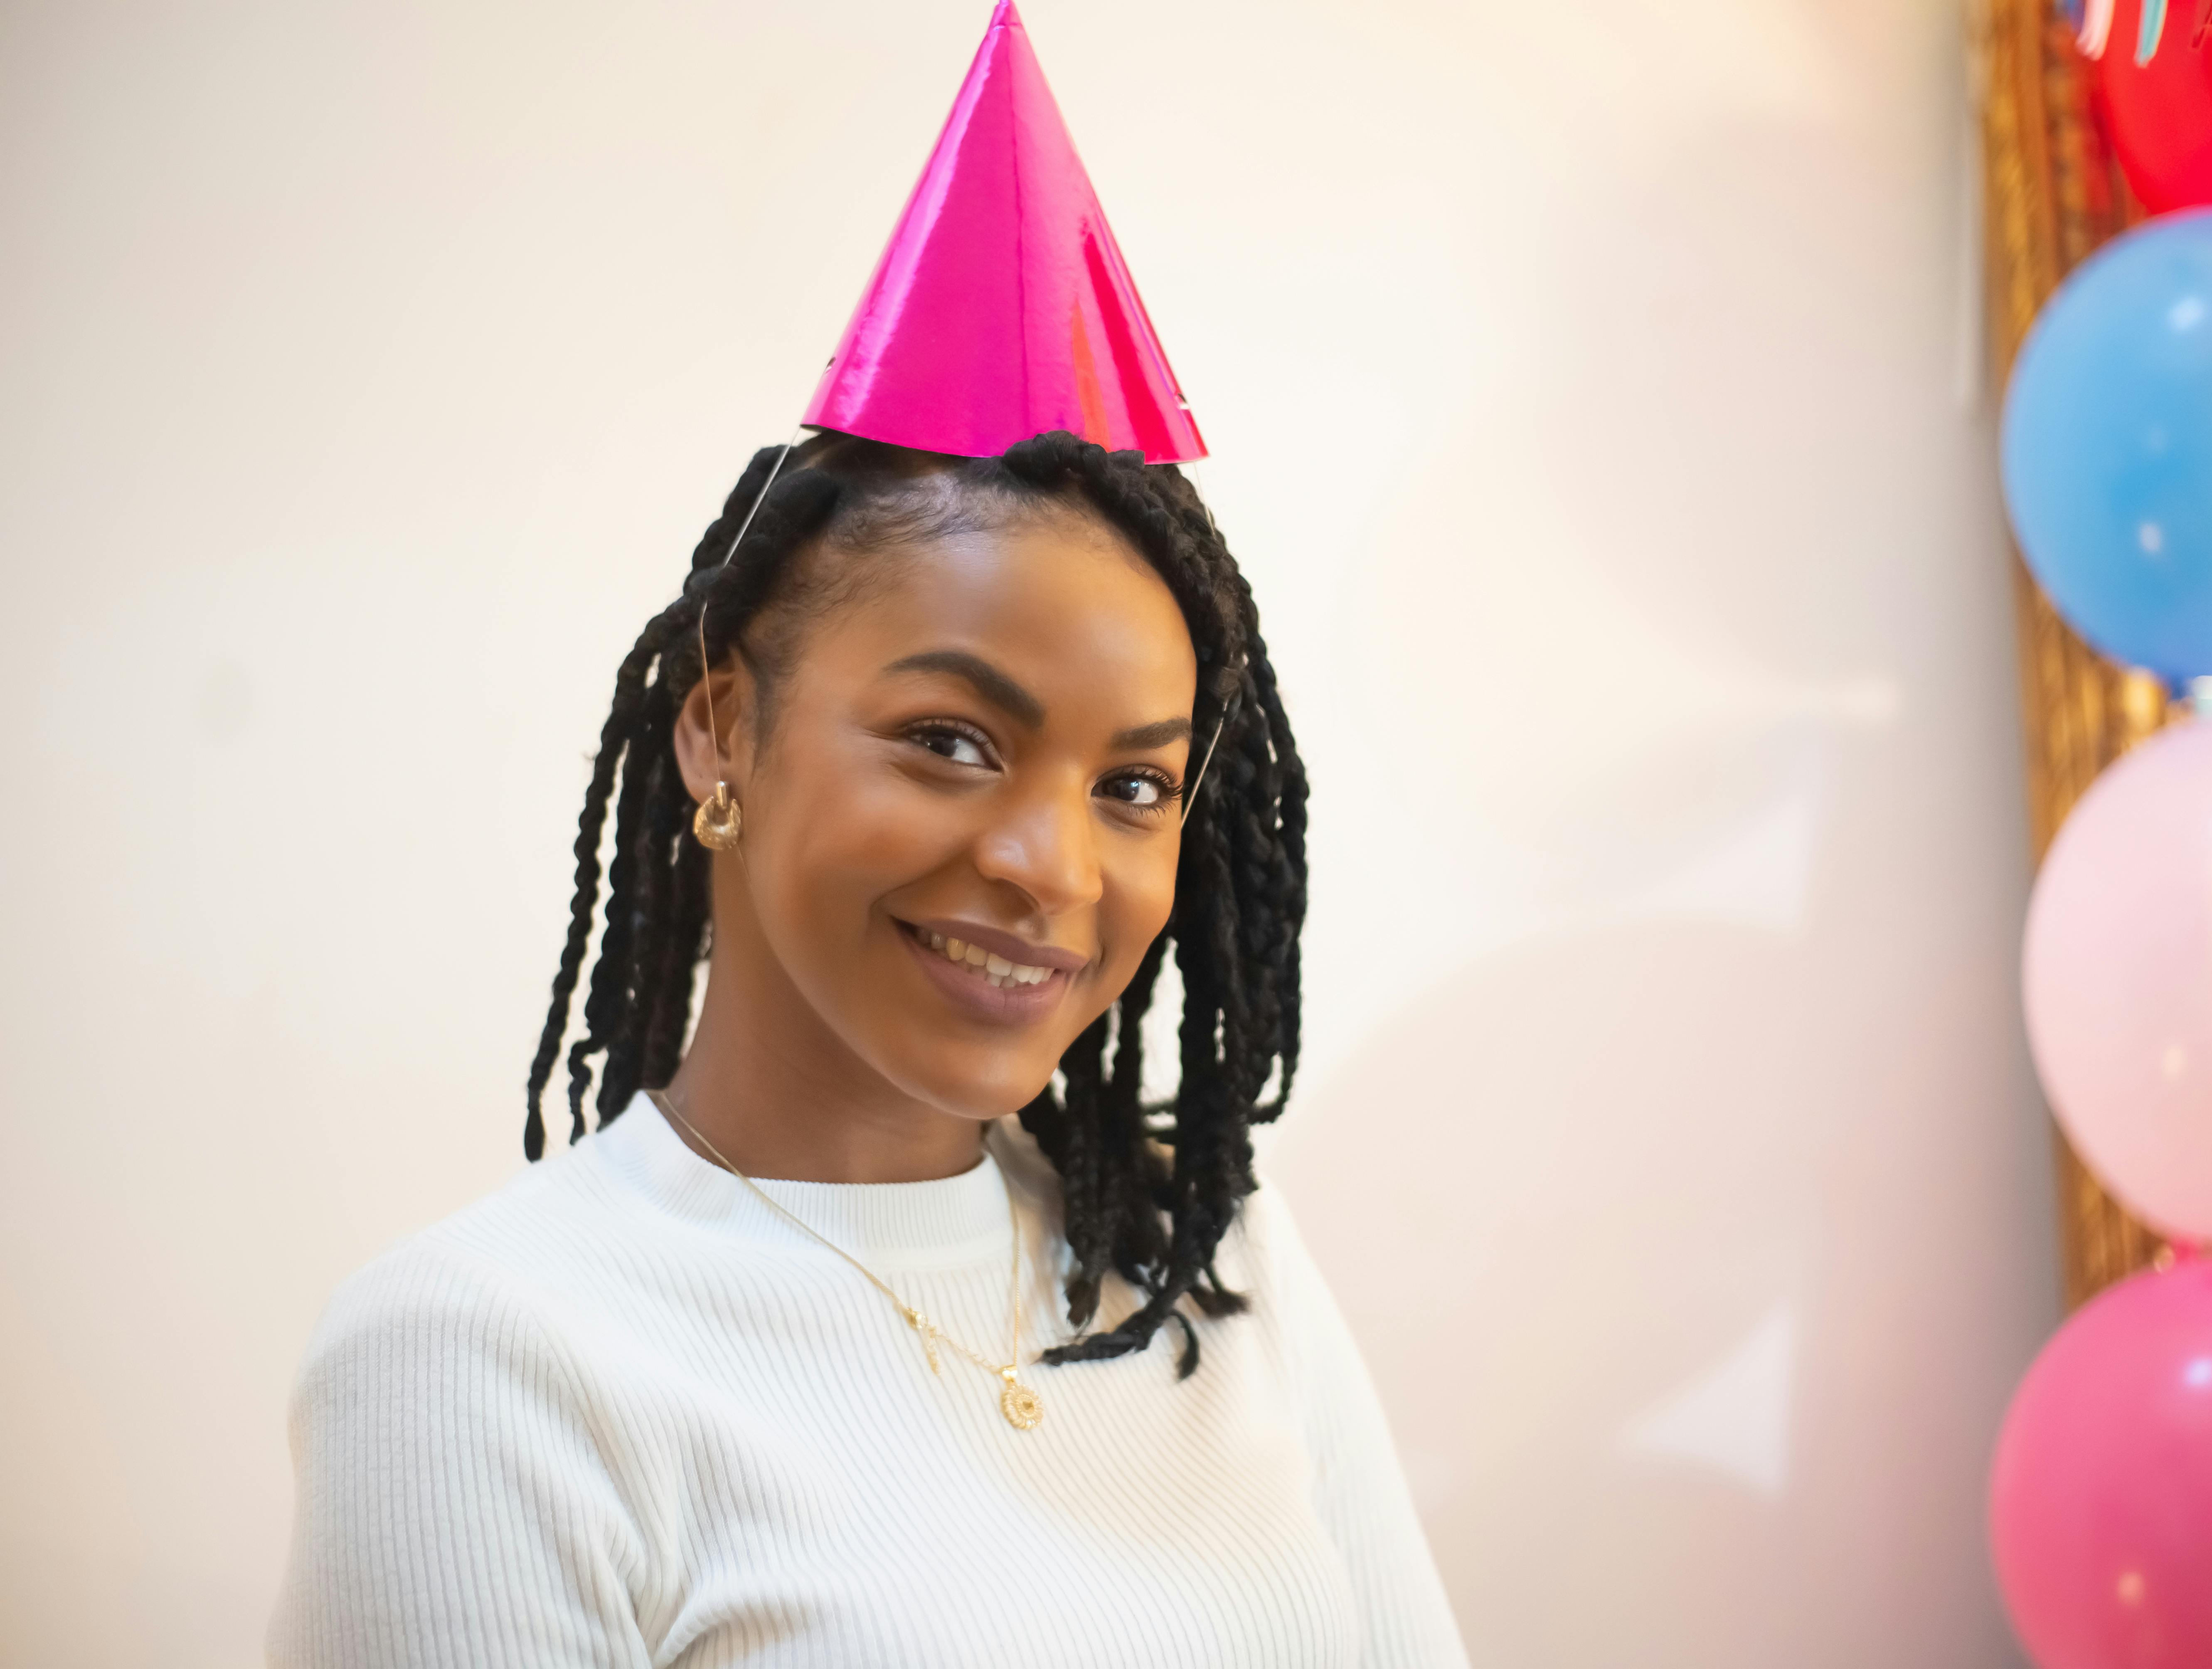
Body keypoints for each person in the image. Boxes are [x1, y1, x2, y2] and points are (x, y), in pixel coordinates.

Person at [267, 7, 1469, 1665]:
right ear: (720, 730)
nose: (1050, 866)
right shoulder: (485, 1356)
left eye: (1132, 783)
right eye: (950, 740)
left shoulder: (1212, 1260)